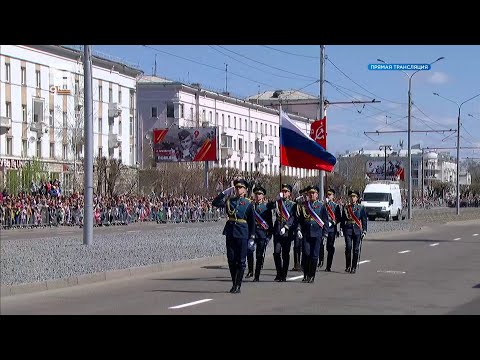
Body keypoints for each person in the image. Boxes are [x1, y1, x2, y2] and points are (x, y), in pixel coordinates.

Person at [212, 179, 255, 294]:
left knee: (241, 261)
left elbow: (252, 222)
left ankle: (238, 285)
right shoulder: (229, 200)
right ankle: (234, 283)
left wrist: (252, 237)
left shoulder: (248, 203)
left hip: (242, 233)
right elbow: (215, 203)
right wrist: (225, 192)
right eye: (236, 188)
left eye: (240, 188)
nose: (238, 189)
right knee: (231, 260)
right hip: (230, 232)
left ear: (245, 190)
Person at [297, 186, 328, 283]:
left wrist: (325, 234)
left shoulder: (321, 206)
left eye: (313, 193)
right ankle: (306, 274)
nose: (311, 195)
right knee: (306, 254)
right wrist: (298, 229)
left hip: (317, 233)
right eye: (310, 193)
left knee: (314, 256)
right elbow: (300, 220)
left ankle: (312, 275)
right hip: (306, 233)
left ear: (317, 195)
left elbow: (325, 220)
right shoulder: (303, 205)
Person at [269, 184, 297, 282]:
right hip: (277, 230)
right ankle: (279, 272)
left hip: (286, 232)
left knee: (285, 253)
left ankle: (284, 274)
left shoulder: (293, 205)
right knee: (276, 253)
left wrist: (286, 227)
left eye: (286, 191)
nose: (284, 193)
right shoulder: (278, 202)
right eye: (283, 191)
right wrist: (275, 200)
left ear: (289, 193)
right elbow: (269, 206)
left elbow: (293, 217)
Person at [246, 185, 274, 282]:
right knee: (249, 251)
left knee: (259, 255)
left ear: (263, 196)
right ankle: (250, 270)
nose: (257, 196)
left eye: (260, 194)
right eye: (256, 194)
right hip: (252, 233)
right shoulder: (250, 206)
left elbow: (270, 223)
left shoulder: (266, 207)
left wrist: (269, 236)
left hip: (262, 233)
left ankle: (256, 275)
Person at [340, 190, 368, 274]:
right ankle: (348, 266)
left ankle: (354, 267)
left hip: (357, 230)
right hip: (348, 229)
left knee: (356, 249)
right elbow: (343, 219)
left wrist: (364, 230)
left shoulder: (361, 208)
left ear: (357, 198)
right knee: (348, 247)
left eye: (354, 197)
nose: (352, 198)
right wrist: (341, 229)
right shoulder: (346, 207)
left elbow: (364, 219)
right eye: (351, 197)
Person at [322, 188, 342, 272]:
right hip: (323, 228)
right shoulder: (322, 205)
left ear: (333, 196)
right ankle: (319, 261)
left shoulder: (335, 206)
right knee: (320, 246)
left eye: (330, 195)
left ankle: (328, 266)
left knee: (329, 247)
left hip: (331, 229)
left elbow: (339, 218)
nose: (328, 196)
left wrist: (333, 222)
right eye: (327, 195)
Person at [292, 187, 308, 272]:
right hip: (298, 227)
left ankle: (304, 264)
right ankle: (297, 264)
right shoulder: (298, 204)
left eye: (305, 194)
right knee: (297, 246)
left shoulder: (309, 205)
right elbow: (295, 216)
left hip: (306, 228)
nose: (304, 196)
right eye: (303, 194)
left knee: (305, 247)